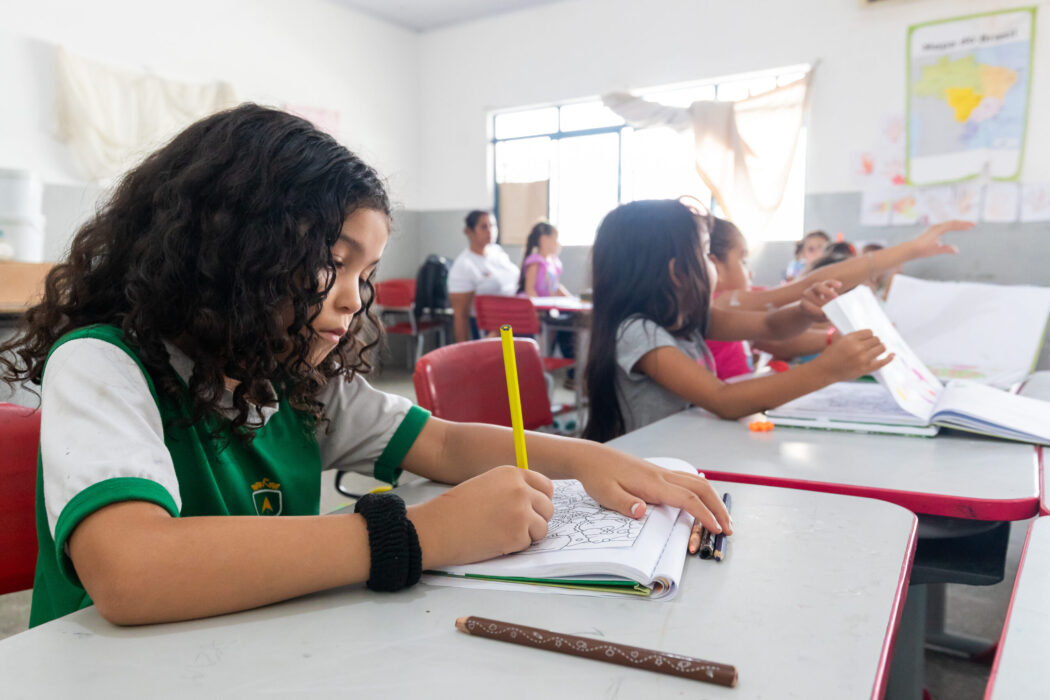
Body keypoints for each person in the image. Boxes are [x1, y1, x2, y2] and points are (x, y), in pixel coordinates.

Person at [0, 106, 731, 627]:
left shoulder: (287, 375)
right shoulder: (102, 360)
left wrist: (581, 460)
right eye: (332, 261)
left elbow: (440, 444)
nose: (351, 300)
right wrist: (415, 535)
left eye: (367, 271)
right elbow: (133, 570)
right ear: (225, 247)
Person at [582, 199, 894, 443]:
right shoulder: (639, 334)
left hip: (684, 449)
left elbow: (769, 326)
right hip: (648, 467)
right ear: (678, 272)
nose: (712, 263)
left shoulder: (688, 318)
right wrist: (828, 370)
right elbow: (723, 400)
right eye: (706, 253)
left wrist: (803, 311)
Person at [447, 211, 520, 343]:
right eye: (484, 227)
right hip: (492, 330)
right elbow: (461, 315)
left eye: (493, 226)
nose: (490, 231)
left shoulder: (498, 252)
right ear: (469, 231)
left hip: (518, 319)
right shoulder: (464, 266)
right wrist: (466, 354)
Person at [517, 221, 575, 379]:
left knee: (566, 325)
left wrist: (571, 299)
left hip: (548, 307)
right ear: (543, 239)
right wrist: (539, 307)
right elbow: (530, 289)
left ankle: (567, 369)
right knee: (553, 327)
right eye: (554, 238)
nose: (557, 243)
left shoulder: (553, 263)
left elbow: (556, 287)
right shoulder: (536, 261)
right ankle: (541, 367)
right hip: (534, 308)